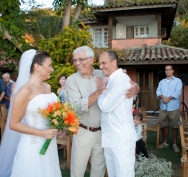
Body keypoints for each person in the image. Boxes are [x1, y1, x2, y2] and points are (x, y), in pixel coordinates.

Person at [66, 46, 139, 177]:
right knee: (77, 172)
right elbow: (75, 107)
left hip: (103, 134)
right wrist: (98, 92)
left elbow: (124, 81)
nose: (77, 63)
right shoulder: (72, 80)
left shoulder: (104, 73)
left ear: (91, 60)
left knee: (99, 172)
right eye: (75, 60)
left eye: (81, 59)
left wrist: (136, 87)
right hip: (83, 133)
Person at [0, 49, 61, 177]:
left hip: (50, 144)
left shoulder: (47, 87)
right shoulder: (25, 91)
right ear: (37, 67)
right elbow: (14, 124)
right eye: (49, 65)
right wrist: (42, 133)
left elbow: (51, 114)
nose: (52, 69)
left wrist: (59, 126)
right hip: (32, 146)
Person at [97, 51, 137, 177]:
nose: (100, 66)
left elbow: (105, 106)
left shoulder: (121, 79)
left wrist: (99, 90)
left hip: (121, 139)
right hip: (110, 138)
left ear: (114, 62)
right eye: (99, 63)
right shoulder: (110, 80)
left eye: (104, 63)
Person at [156, 64, 182, 153]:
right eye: (166, 70)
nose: (167, 71)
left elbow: (177, 92)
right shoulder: (162, 82)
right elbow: (158, 91)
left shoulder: (178, 81)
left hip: (173, 107)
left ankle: (175, 144)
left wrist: (168, 98)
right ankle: (166, 143)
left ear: (173, 71)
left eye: (169, 69)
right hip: (163, 107)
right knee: (164, 125)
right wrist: (163, 98)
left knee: (174, 126)